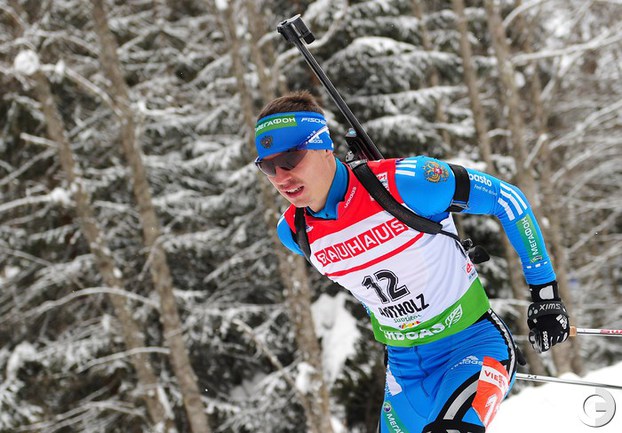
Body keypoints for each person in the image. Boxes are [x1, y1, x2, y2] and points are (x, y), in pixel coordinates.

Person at [253, 90, 570, 433]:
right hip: (404, 374)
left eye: (291, 159)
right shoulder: (294, 232)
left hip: (473, 347)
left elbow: (508, 200)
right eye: (268, 167)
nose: (281, 176)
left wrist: (546, 294)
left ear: (324, 147)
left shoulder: (409, 182)